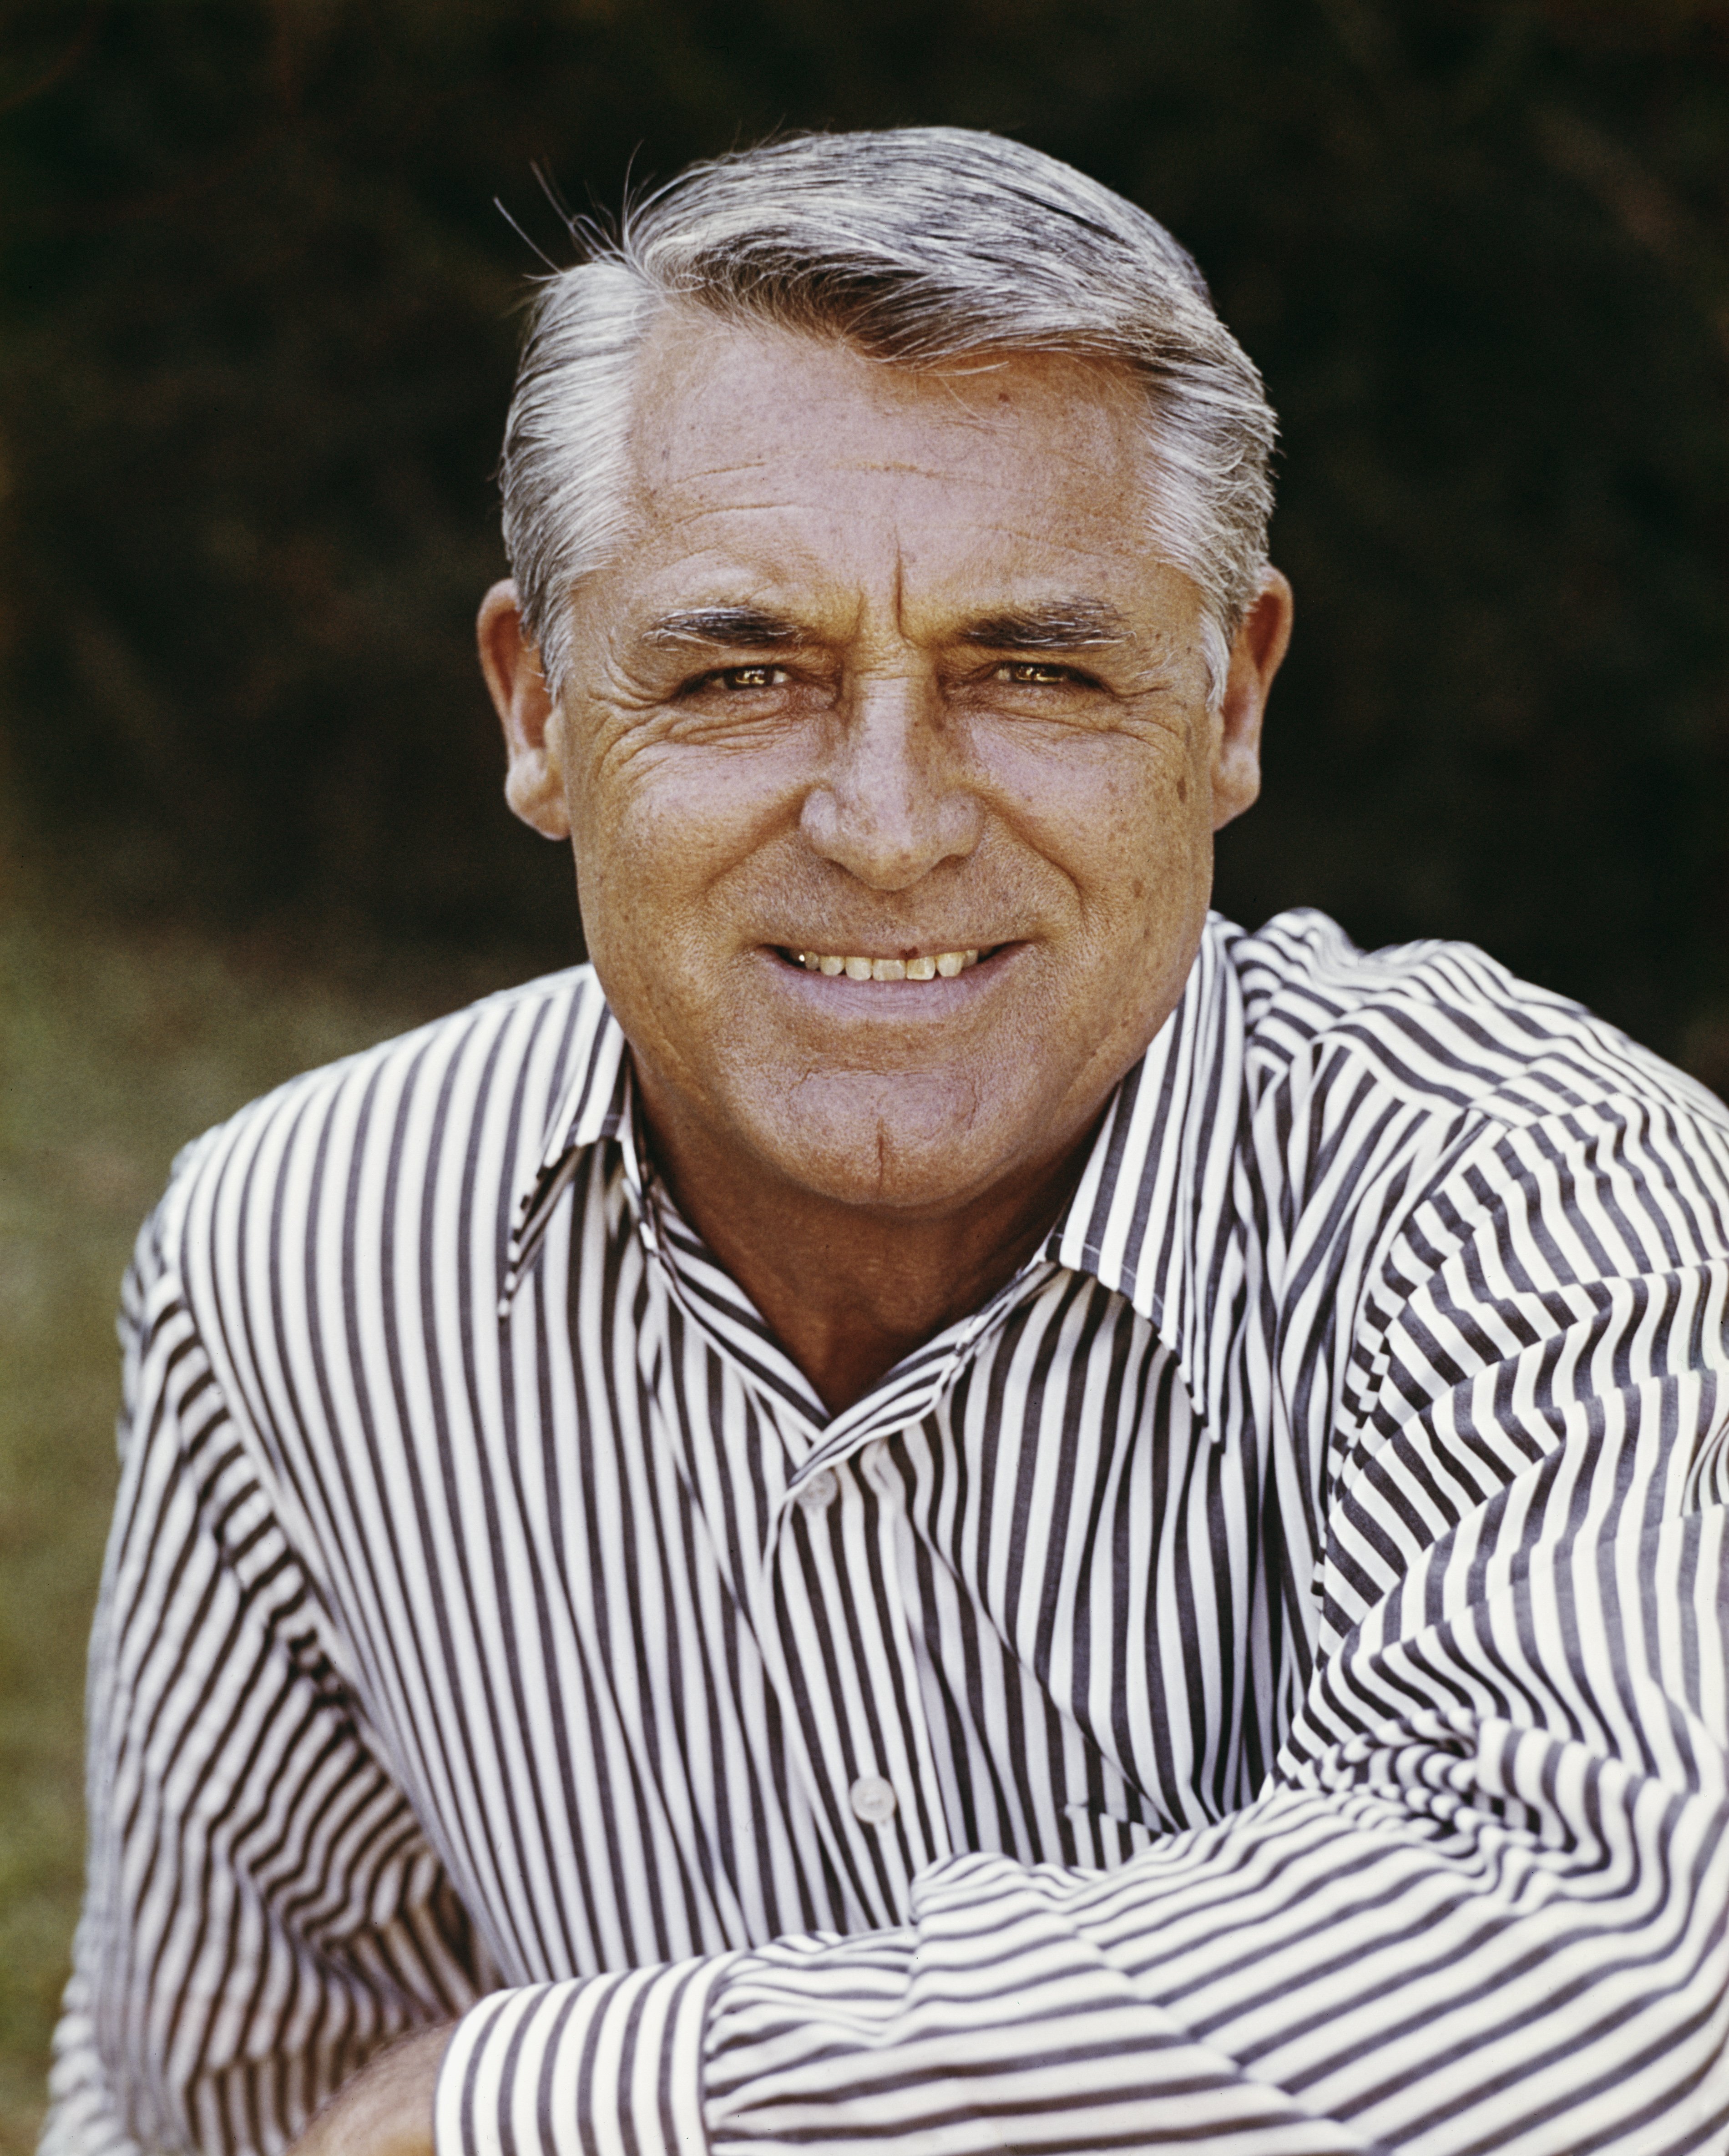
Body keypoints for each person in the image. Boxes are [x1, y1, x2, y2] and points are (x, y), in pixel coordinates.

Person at [42, 127, 1729, 2156]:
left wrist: (557, 2094)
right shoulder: (298, 1253)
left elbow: (1604, 1993)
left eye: (1035, 669)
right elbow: (230, 2108)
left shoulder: (1539, 1202)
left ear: (1227, 703)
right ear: (540, 712)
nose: (887, 817)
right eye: (741, 670)